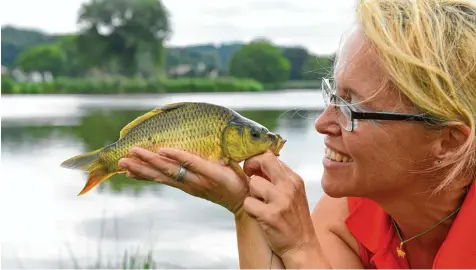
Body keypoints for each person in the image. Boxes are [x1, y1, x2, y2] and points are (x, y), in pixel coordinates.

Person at [117, 0, 476, 268]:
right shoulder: (352, 209)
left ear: (448, 141)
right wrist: (244, 207)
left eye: (351, 107)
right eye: (332, 95)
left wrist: (302, 247)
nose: (322, 123)